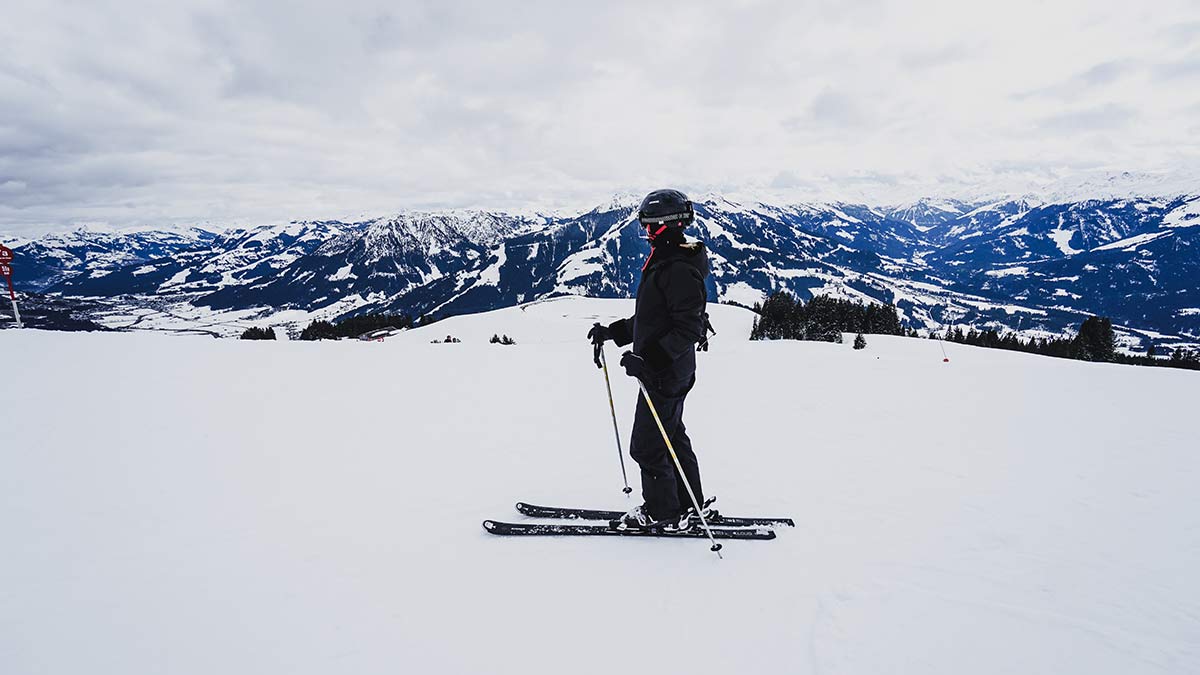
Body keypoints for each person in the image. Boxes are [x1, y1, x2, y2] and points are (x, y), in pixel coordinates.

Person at [587, 189, 711, 532]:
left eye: (648, 226)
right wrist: (613, 332)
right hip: (669, 371)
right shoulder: (667, 260)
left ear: (663, 226)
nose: (644, 232)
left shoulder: (676, 268)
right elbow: (653, 319)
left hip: (665, 374)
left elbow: (689, 328)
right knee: (671, 437)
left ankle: (662, 513)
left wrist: (649, 361)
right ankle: (689, 504)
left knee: (648, 446)